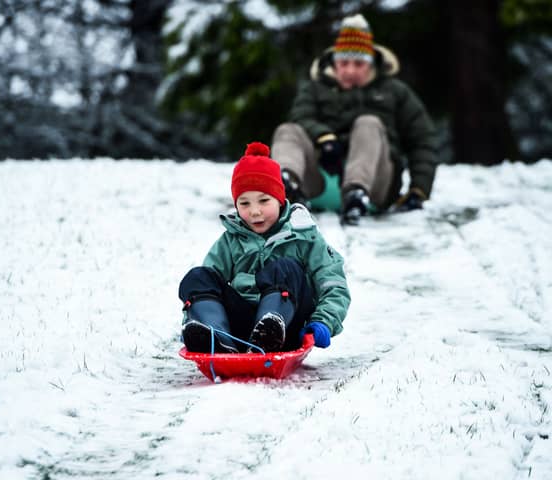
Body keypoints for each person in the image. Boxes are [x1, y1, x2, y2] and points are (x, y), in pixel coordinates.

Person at [179, 142, 350, 354]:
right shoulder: (231, 240)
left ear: (279, 200)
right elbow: (208, 286)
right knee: (198, 277)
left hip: (288, 324)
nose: (255, 212)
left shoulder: (303, 234)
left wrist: (323, 321)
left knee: (285, 268)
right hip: (241, 327)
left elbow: (333, 283)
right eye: (245, 204)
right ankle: (217, 338)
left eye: (263, 201)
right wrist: (194, 318)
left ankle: (270, 331)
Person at [272, 14, 439, 225]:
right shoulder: (315, 89)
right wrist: (324, 138)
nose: (350, 70)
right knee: (288, 130)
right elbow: (300, 116)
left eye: (358, 63)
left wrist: (419, 189)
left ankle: (357, 193)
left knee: (368, 123)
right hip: (320, 179)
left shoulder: (395, 91)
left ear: (371, 64)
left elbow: (422, 139)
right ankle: (284, 186)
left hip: (377, 185)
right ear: (334, 61)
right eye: (344, 63)